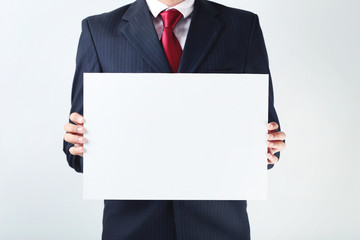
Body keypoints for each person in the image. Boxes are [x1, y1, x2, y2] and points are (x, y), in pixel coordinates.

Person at [63, 0, 286, 239]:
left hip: (219, 227)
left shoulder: (242, 26)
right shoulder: (99, 30)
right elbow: (77, 148)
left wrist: (269, 147)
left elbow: (265, 137)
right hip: (133, 229)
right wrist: (80, 147)